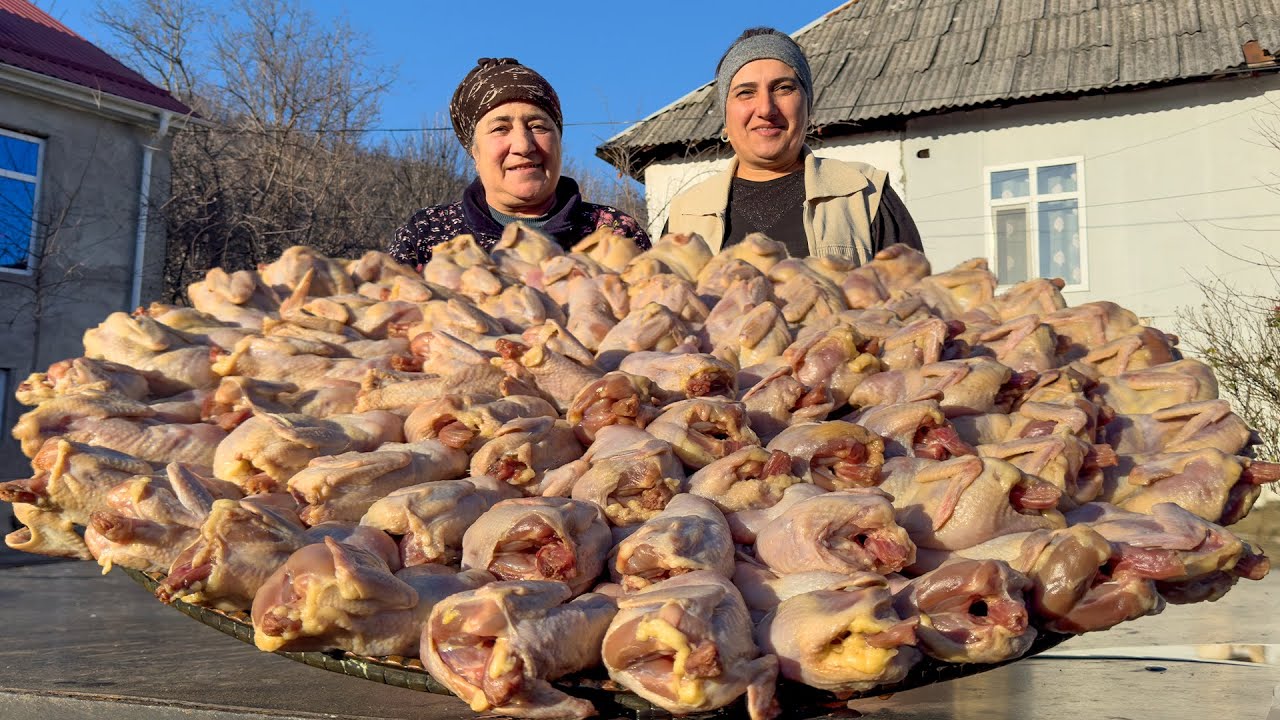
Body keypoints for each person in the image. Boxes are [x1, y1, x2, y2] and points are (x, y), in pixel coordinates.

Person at [665, 28, 922, 264]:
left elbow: (914, 302)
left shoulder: (864, 194)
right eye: (745, 92)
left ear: (807, 107)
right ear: (725, 117)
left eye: (783, 88)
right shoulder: (685, 216)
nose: (766, 108)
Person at [389, 58, 650, 268]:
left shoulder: (612, 233)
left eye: (538, 126)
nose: (524, 145)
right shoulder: (428, 236)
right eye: (500, 129)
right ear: (474, 152)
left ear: (559, 141)